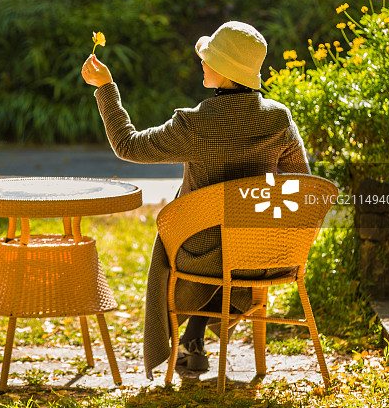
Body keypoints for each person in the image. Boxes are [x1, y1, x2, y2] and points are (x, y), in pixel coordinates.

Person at [81, 20, 310, 377]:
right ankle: (195, 339)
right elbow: (301, 184)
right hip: (264, 254)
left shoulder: (194, 124)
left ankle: (189, 340)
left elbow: (127, 145)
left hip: (203, 257)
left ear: (222, 70)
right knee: (213, 218)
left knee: (190, 221)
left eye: (207, 57)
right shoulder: (279, 118)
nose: (201, 62)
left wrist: (107, 88)